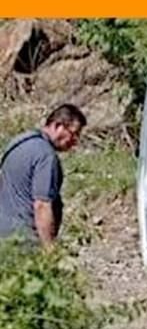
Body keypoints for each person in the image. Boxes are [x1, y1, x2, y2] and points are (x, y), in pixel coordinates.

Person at [0, 104, 85, 246]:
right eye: (73, 133)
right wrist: (49, 250)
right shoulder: (45, 156)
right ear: (58, 126)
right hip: (24, 243)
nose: (75, 141)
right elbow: (42, 205)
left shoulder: (17, 143)